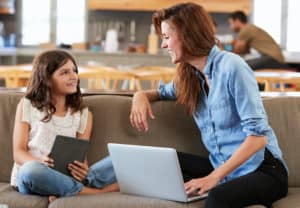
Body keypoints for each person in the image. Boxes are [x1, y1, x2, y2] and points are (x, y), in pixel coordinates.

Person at [130, 3, 288, 208]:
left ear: (188, 35)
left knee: (217, 198)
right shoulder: (189, 76)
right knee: (165, 162)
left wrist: (213, 178)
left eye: (167, 37)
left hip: (263, 169)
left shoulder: (232, 67)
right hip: (223, 166)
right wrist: (139, 96)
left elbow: (258, 138)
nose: (163, 45)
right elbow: (161, 92)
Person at [11, 50, 118, 203]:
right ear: (47, 78)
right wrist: (40, 161)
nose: (73, 76)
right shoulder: (27, 105)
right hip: (33, 176)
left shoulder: (83, 115)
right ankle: (94, 193)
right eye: (64, 72)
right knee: (31, 171)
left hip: (66, 177)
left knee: (120, 160)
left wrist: (82, 170)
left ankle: (62, 190)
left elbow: (81, 157)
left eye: (74, 71)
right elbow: (18, 153)